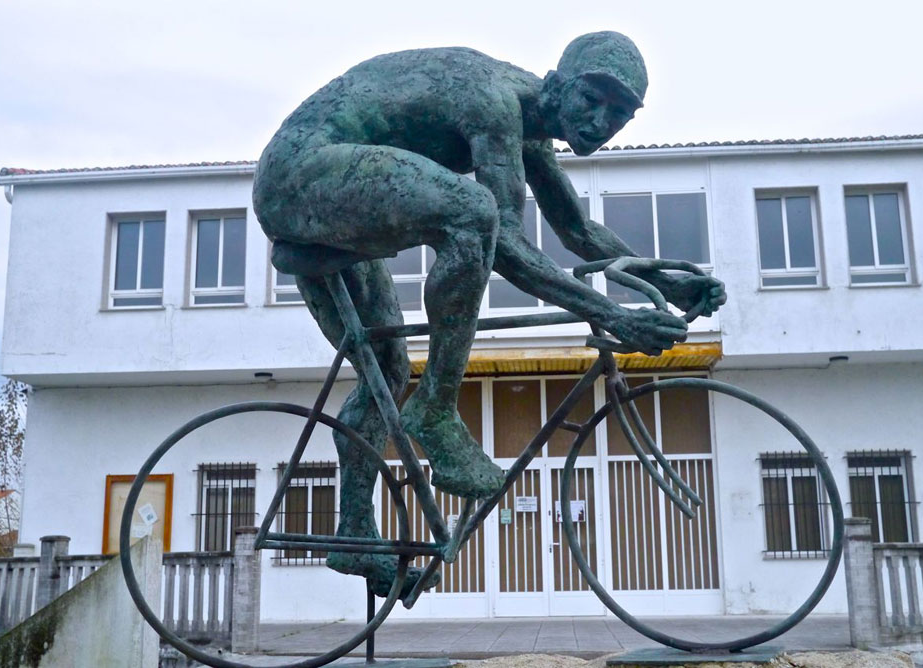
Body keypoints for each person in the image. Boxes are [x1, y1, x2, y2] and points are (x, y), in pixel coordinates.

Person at [253, 31, 726, 598]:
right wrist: (614, 317)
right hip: (300, 172)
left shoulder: (530, 134)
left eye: (620, 112)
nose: (602, 120)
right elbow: (502, 242)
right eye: (592, 99)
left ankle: (355, 532)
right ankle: (436, 411)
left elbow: (577, 232)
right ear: (556, 84)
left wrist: (668, 281)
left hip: (324, 194)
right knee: (471, 211)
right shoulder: (494, 100)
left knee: (386, 367)